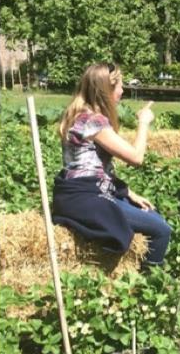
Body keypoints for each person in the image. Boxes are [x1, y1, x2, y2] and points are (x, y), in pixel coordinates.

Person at [53, 62, 172, 269]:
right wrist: (143, 122)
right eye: (120, 87)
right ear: (107, 90)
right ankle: (151, 283)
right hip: (86, 198)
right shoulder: (93, 121)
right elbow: (136, 158)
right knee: (161, 229)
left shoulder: (79, 114)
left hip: (81, 192)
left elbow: (97, 167)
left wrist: (128, 192)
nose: (123, 91)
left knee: (152, 213)